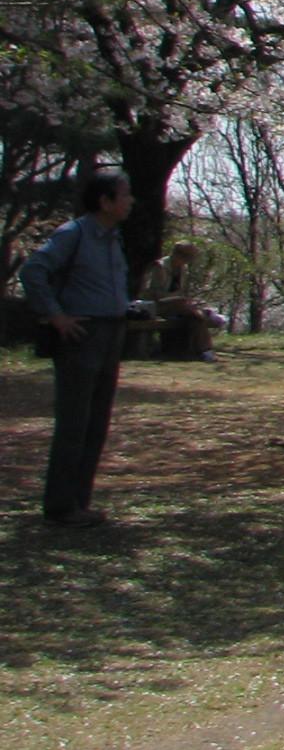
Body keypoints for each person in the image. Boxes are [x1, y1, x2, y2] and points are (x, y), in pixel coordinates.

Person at [19, 170, 136, 528]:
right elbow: (33, 270)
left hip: (111, 332)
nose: (131, 201)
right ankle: (60, 504)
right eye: (125, 195)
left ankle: (78, 502)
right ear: (105, 201)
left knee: (96, 422)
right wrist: (56, 316)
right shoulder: (74, 234)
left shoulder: (112, 238)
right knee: (75, 421)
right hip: (82, 335)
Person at [140, 239, 218, 361]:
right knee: (194, 314)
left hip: (176, 306)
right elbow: (153, 294)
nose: (188, 260)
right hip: (156, 306)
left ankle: (202, 350)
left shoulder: (183, 269)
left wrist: (189, 300)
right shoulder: (159, 267)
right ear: (177, 254)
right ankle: (206, 350)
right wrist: (175, 297)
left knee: (195, 317)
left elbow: (182, 291)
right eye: (187, 257)